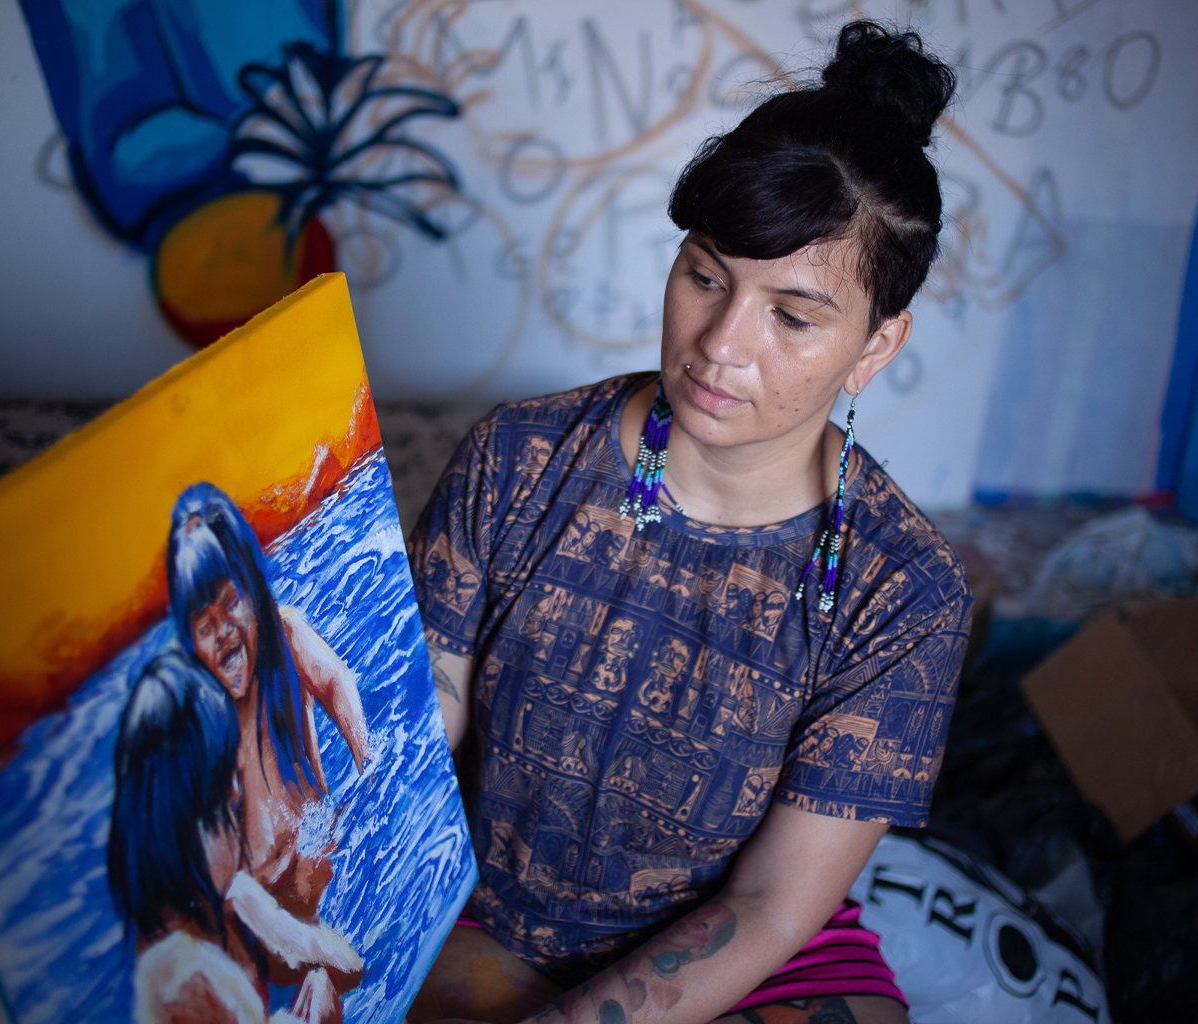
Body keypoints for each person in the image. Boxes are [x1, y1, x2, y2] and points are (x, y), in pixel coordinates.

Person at [405, 21, 969, 1024]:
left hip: (751, 947)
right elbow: (415, 734)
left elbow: (770, 906)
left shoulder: (903, 590)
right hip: (492, 910)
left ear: (876, 346)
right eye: (706, 275)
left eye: (792, 317)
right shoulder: (519, 459)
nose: (720, 345)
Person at [108, 650, 364, 1024]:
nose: (235, 798)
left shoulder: (230, 896)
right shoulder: (184, 971)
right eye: (219, 806)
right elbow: (338, 970)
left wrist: (276, 928)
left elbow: (350, 966)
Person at [168, 482, 371, 922]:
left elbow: (337, 682)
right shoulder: (200, 714)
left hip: (318, 849)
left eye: (231, 603)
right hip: (263, 902)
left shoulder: (286, 637)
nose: (223, 632)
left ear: (254, 594)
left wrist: (366, 765)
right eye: (204, 624)